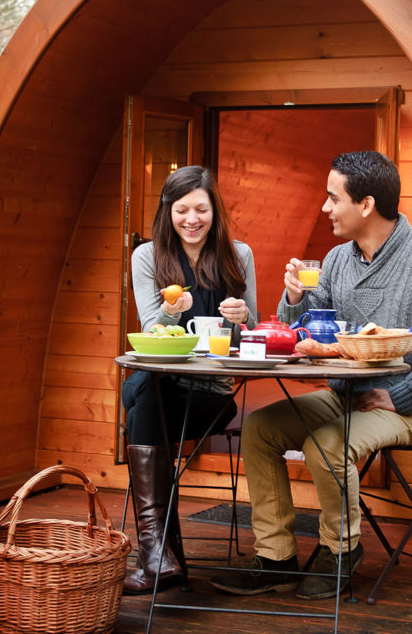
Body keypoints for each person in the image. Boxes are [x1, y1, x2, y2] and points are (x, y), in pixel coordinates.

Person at [211, 150, 412, 600]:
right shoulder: (336, 260)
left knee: (327, 445)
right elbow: (300, 331)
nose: (325, 207)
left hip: (406, 407)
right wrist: (296, 297)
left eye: (333, 198)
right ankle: (276, 557)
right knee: (259, 428)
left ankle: (341, 551)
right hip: (344, 397)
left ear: (366, 205)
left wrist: (407, 396)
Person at [122, 165, 258, 594]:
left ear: (214, 211)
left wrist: (242, 319)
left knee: (140, 398)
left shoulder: (240, 255)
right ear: (169, 211)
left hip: (212, 395)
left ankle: (156, 555)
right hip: (165, 384)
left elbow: (251, 334)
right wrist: (171, 311)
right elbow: (150, 330)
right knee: (148, 387)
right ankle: (158, 553)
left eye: (201, 209)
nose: (192, 219)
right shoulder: (147, 256)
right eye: (182, 210)